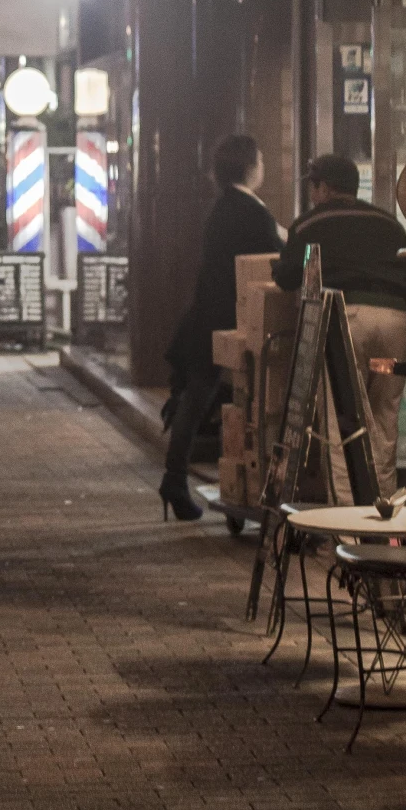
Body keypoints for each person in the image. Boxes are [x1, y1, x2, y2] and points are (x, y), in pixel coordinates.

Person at [274, 151, 406, 499]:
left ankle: (347, 531)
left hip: (346, 320)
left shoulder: (308, 225)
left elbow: (288, 276)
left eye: (314, 187)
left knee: (340, 425)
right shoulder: (391, 225)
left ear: (324, 188)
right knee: (383, 419)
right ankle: (382, 518)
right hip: (396, 322)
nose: (312, 195)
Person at [161, 134, 282, 522]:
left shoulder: (223, 208)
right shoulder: (249, 211)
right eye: (260, 159)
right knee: (227, 402)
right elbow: (273, 262)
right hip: (232, 320)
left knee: (199, 400)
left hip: (207, 317)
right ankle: (197, 483)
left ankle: (178, 481)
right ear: (250, 166)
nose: (263, 165)